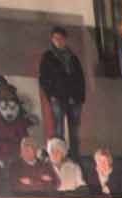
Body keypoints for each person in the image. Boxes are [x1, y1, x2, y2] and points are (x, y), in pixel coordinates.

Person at [38, 26, 85, 155]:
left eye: (60, 38)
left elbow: (80, 78)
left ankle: (75, 153)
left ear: (65, 40)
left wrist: (80, 97)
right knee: (59, 127)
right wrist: (51, 95)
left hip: (74, 98)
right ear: (52, 40)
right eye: (55, 38)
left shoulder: (72, 58)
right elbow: (43, 78)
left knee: (74, 128)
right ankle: (60, 153)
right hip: (58, 97)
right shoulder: (48, 57)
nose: (58, 41)